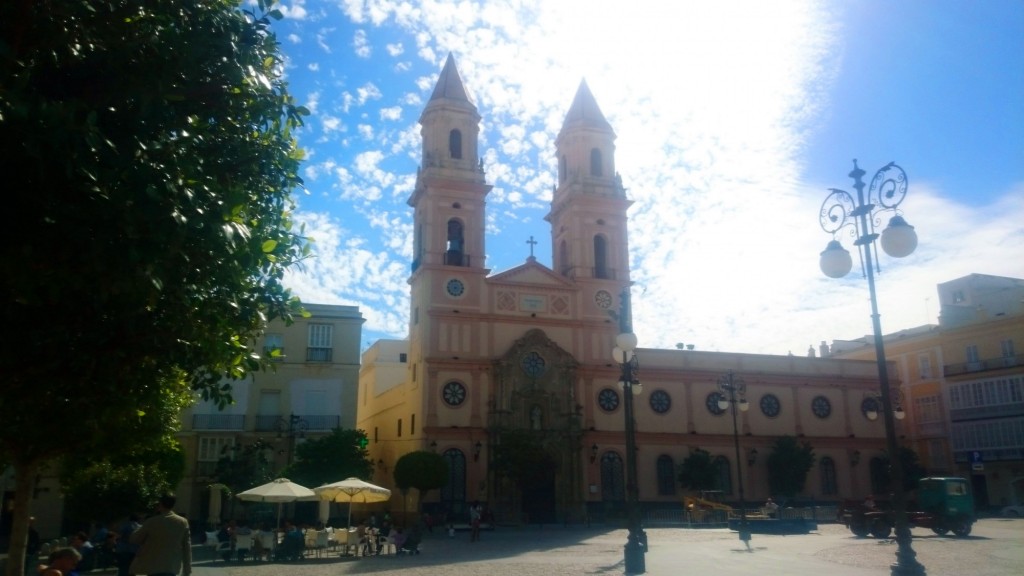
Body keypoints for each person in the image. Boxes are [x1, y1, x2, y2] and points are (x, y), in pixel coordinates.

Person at [129, 494, 192, 576]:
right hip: (171, 566)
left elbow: (134, 539)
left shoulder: (152, 521)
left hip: (153, 566)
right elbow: (187, 547)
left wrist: (142, 524)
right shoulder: (183, 522)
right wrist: (187, 570)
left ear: (160, 504)